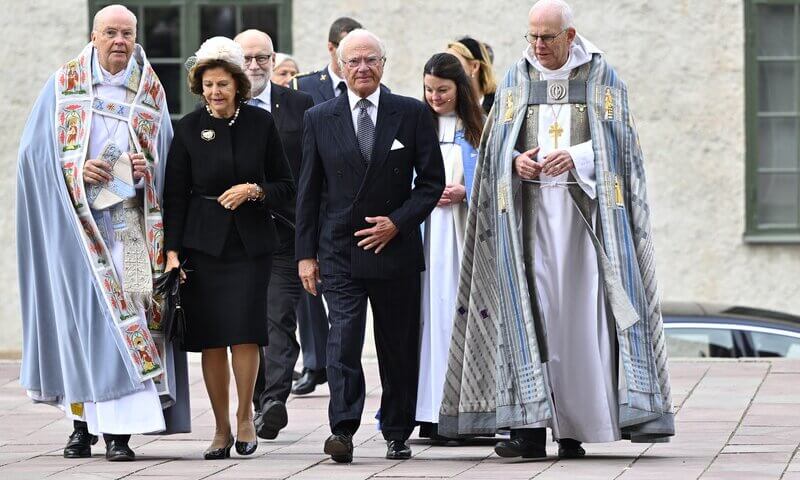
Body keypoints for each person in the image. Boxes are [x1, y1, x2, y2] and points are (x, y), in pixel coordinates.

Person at [438, 0, 675, 459]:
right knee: (531, 317)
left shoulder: (602, 78)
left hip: (584, 226)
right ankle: (528, 427)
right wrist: (514, 161)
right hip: (526, 225)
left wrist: (581, 157)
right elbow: (494, 148)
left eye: (547, 37)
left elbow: (624, 147)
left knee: (579, 322)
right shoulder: (515, 78)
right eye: (532, 37)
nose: (539, 46)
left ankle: (574, 428)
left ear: (570, 36)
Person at [17, 4, 190, 462]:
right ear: (94, 36)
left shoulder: (150, 90)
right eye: (110, 32)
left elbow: (168, 160)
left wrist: (143, 168)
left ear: (136, 38)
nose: (119, 41)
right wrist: (77, 168)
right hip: (78, 228)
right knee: (81, 327)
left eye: (127, 33)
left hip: (130, 226)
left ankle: (120, 433)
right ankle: (81, 425)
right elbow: (32, 158)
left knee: (131, 319)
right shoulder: (64, 85)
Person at [296, 29, 445, 463]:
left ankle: (398, 431)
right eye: (354, 61)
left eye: (371, 60)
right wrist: (306, 254)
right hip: (339, 249)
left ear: (384, 64)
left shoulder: (411, 113)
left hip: (394, 250)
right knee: (341, 343)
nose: (363, 68)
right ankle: (342, 429)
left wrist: (396, 224)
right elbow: (309, 191)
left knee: (397, 345)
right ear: (340, 67)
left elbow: (431, 183)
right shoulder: (320, 117)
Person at [163, 36, 295, 459]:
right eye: (207, 85)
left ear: (238, 85)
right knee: (212, 339)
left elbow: (285, 186)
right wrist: (172, 252)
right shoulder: (187, 128)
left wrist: (254, 189)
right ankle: (220, 428)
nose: (215, 92)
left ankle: (244, 417)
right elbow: (175, 196)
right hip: (203, 248)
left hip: (251, 246)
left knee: (245, 334)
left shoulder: (261, 124)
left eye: (222, 84)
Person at [234, 29, 314, 441]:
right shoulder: (220, 108)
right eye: (246, 58)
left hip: (285, 232)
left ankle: (274, 400)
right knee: (249, 322)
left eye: (262, 57)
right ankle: (260, 397)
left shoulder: (300, 105)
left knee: (279, 316)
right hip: (237, 237)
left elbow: (312, 170)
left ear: (273, 60)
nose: (254, 65)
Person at [290, 16, 363, 397]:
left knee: (344, 301)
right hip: (313, 203)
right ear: (332, 50)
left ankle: (332, 360)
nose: (358, 62)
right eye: (348, 52)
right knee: (309, 290)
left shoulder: (370, 91)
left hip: (348, 210)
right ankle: (314, 361)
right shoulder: (305, 88)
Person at [415, 53, 483, 442]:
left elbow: (493, 179)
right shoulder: (415, 126)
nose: (435, 97)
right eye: (429, 90)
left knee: (459, 320)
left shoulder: (478, 130)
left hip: (462, 238)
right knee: (428, 322)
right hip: (426, 240)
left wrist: (465, 191)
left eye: (443, 90)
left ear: (460, 89)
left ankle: (467, 408)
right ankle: (428, 409)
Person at [447, 36, 497, 114]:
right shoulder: (443, 104)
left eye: (453, 62)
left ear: (474, 67)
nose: (445, 69)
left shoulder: (499, 105)